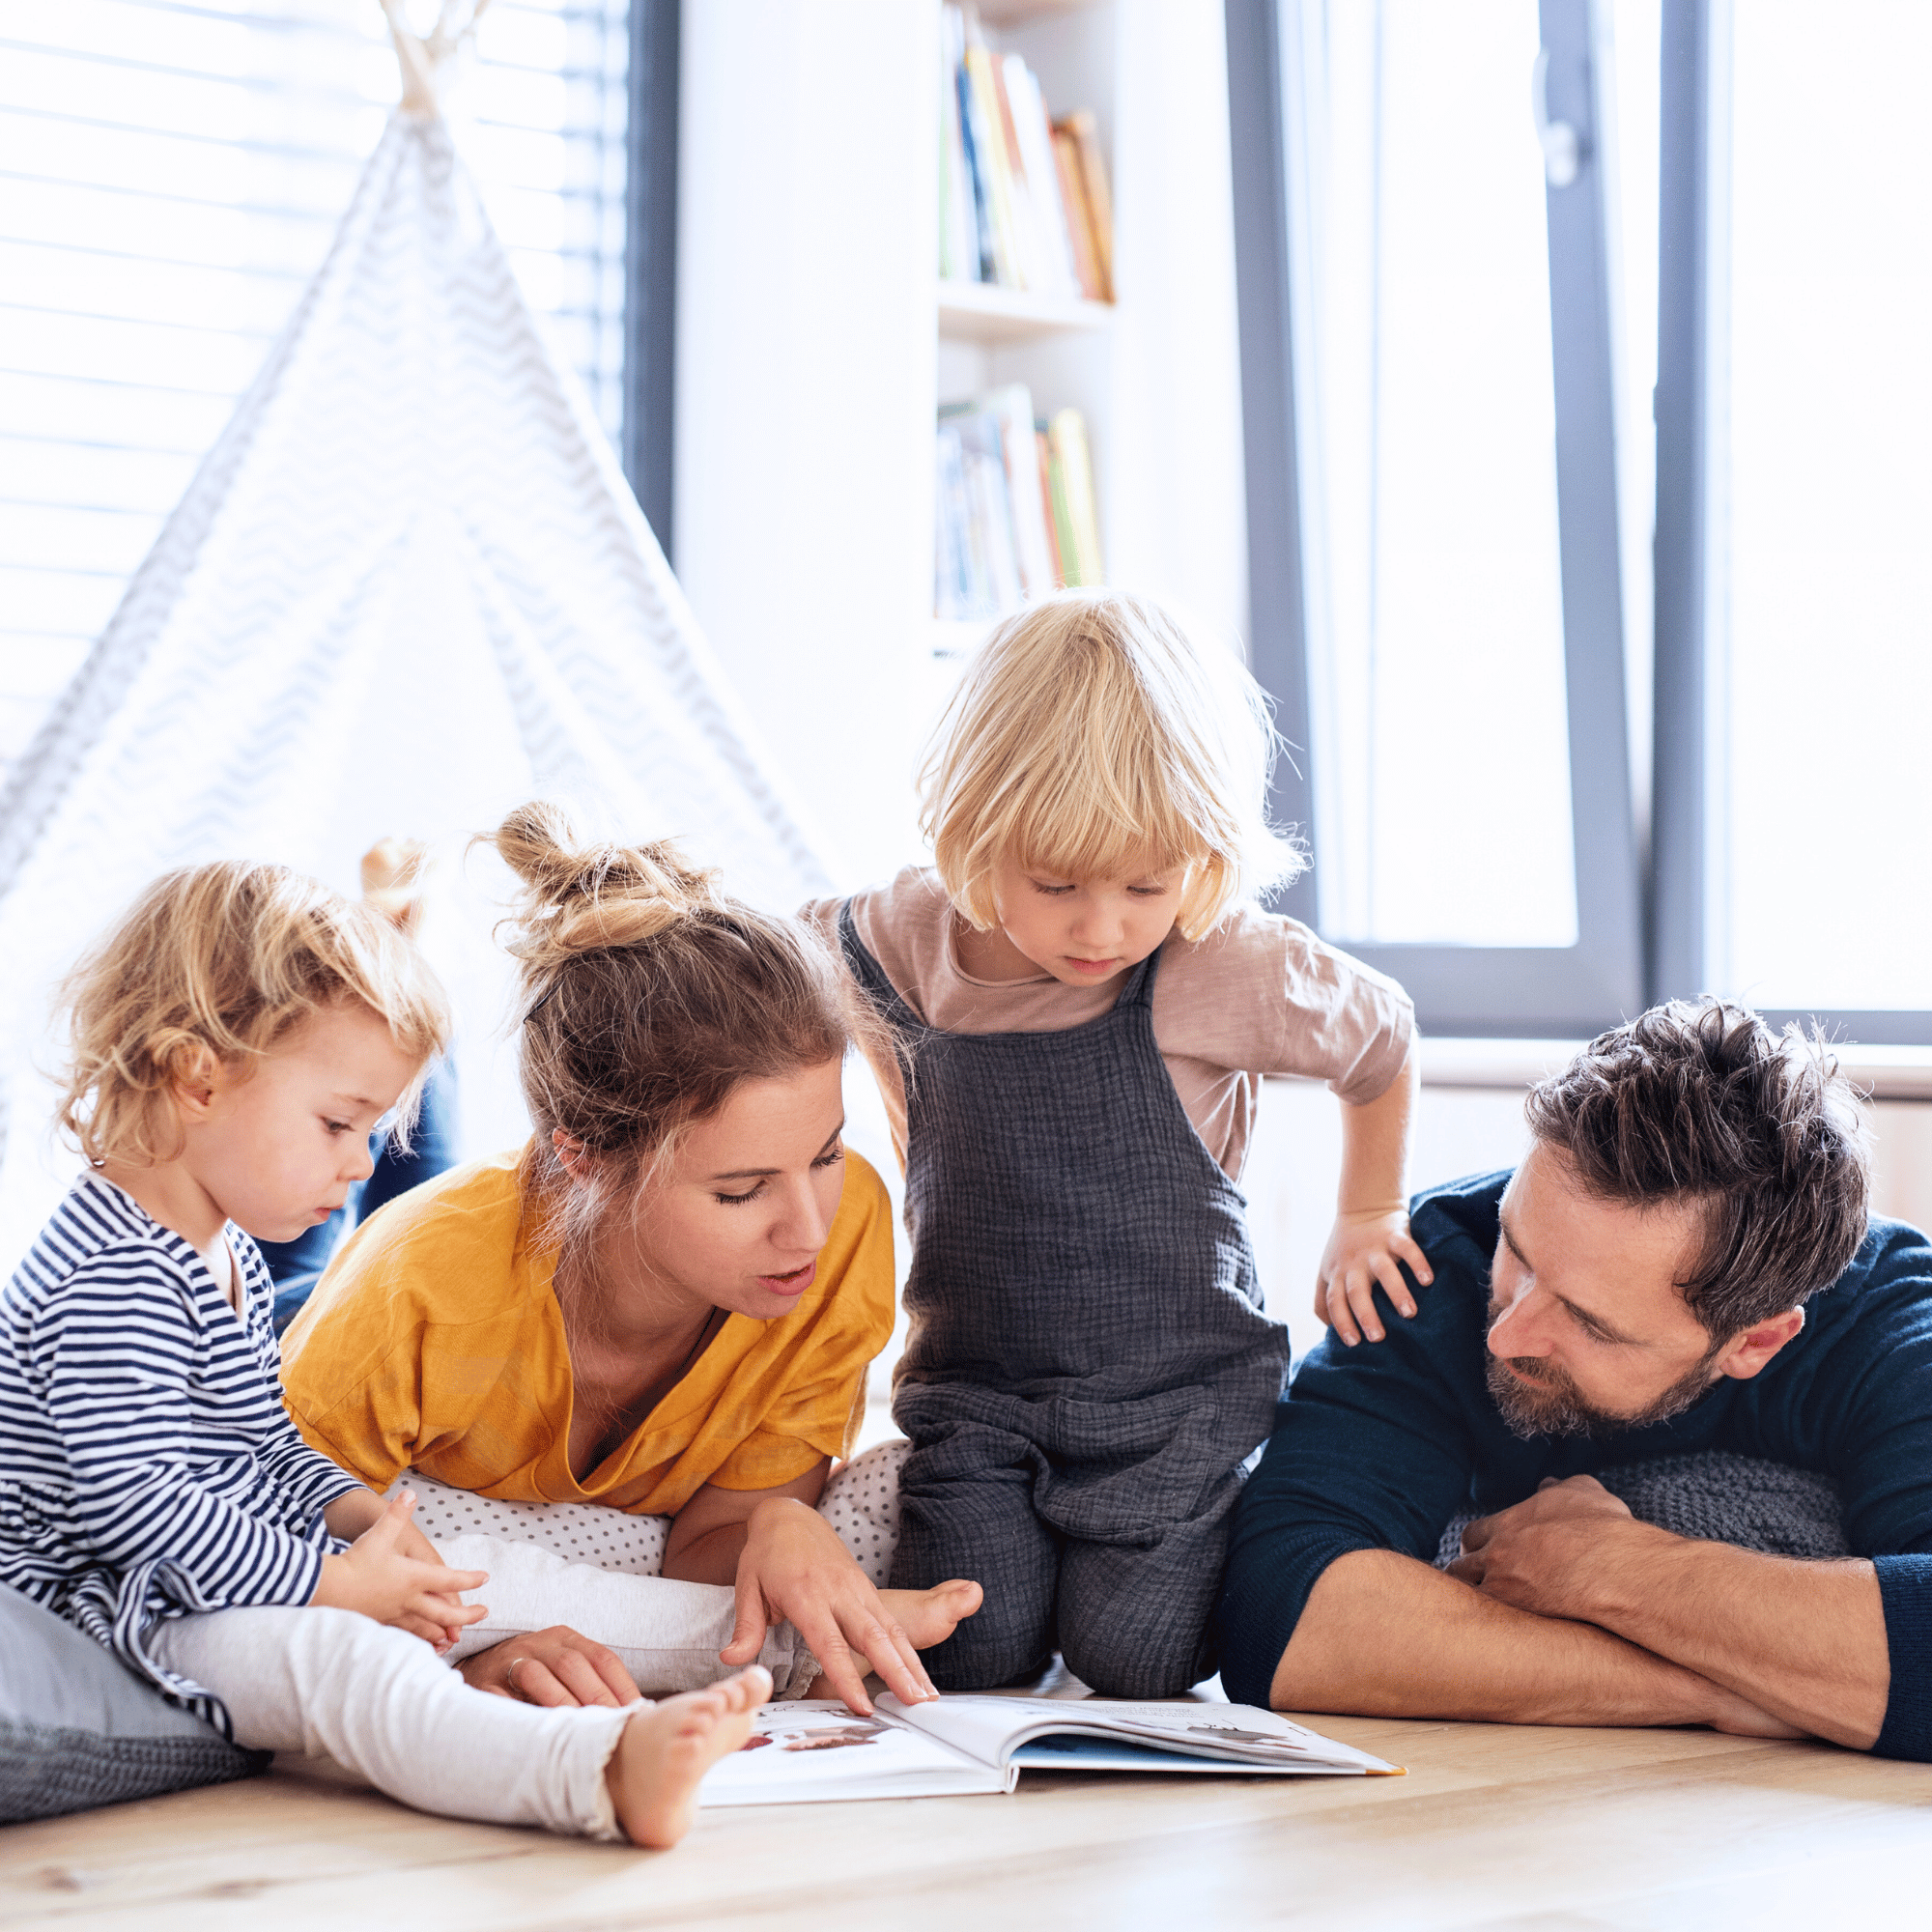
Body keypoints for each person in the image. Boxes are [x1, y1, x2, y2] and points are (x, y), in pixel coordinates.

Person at [0, 860, 767, 1847]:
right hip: (123, 1611)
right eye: (338, 1123)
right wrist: (331, 1586)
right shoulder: (109, 1273)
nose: (363, 1162)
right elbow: (136, 1501)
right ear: (196, 1076)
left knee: (470, 1567)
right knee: (348, 1664)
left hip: (210, 1568)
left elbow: (263, 1445)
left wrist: (366, 1516)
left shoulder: (219, 1246)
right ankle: (593, 1771)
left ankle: (774, 1644)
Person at [809, 590, 1418, 1697]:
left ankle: (1243, 1501)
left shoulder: (1214, 962)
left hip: (1169, 1407)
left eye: (1146, 883)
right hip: (976, 1394)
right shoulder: (896, 940)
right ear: (974, 833)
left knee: (1138, 1656)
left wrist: (1367, 1210)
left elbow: (1381, 1038)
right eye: (1055, 885)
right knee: (970, 1655)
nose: (1102, 928)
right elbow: (755, 970)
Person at [281, 804, 981, 1717]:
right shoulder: (418, 1284)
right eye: (741, 1191)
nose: (809, 1230)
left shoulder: (842, 1235)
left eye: (824, 1155)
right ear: (581, 1152)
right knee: (310, 1202)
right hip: (370, 1294)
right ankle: (392, 952)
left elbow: (701, 1555)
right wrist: (456, 1668)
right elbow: (271, 1554)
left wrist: (778, 1521)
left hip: (520, 1241)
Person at [1217, 1000, 1932, 1764]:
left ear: (1754, 1342)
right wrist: (1728, 1690)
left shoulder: (1893, 1322)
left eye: (1592, 1324)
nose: (1505, 1333)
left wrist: (1608, 1569)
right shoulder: (1428, 1266)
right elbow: (1276, 1613)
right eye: (1518, 1252)